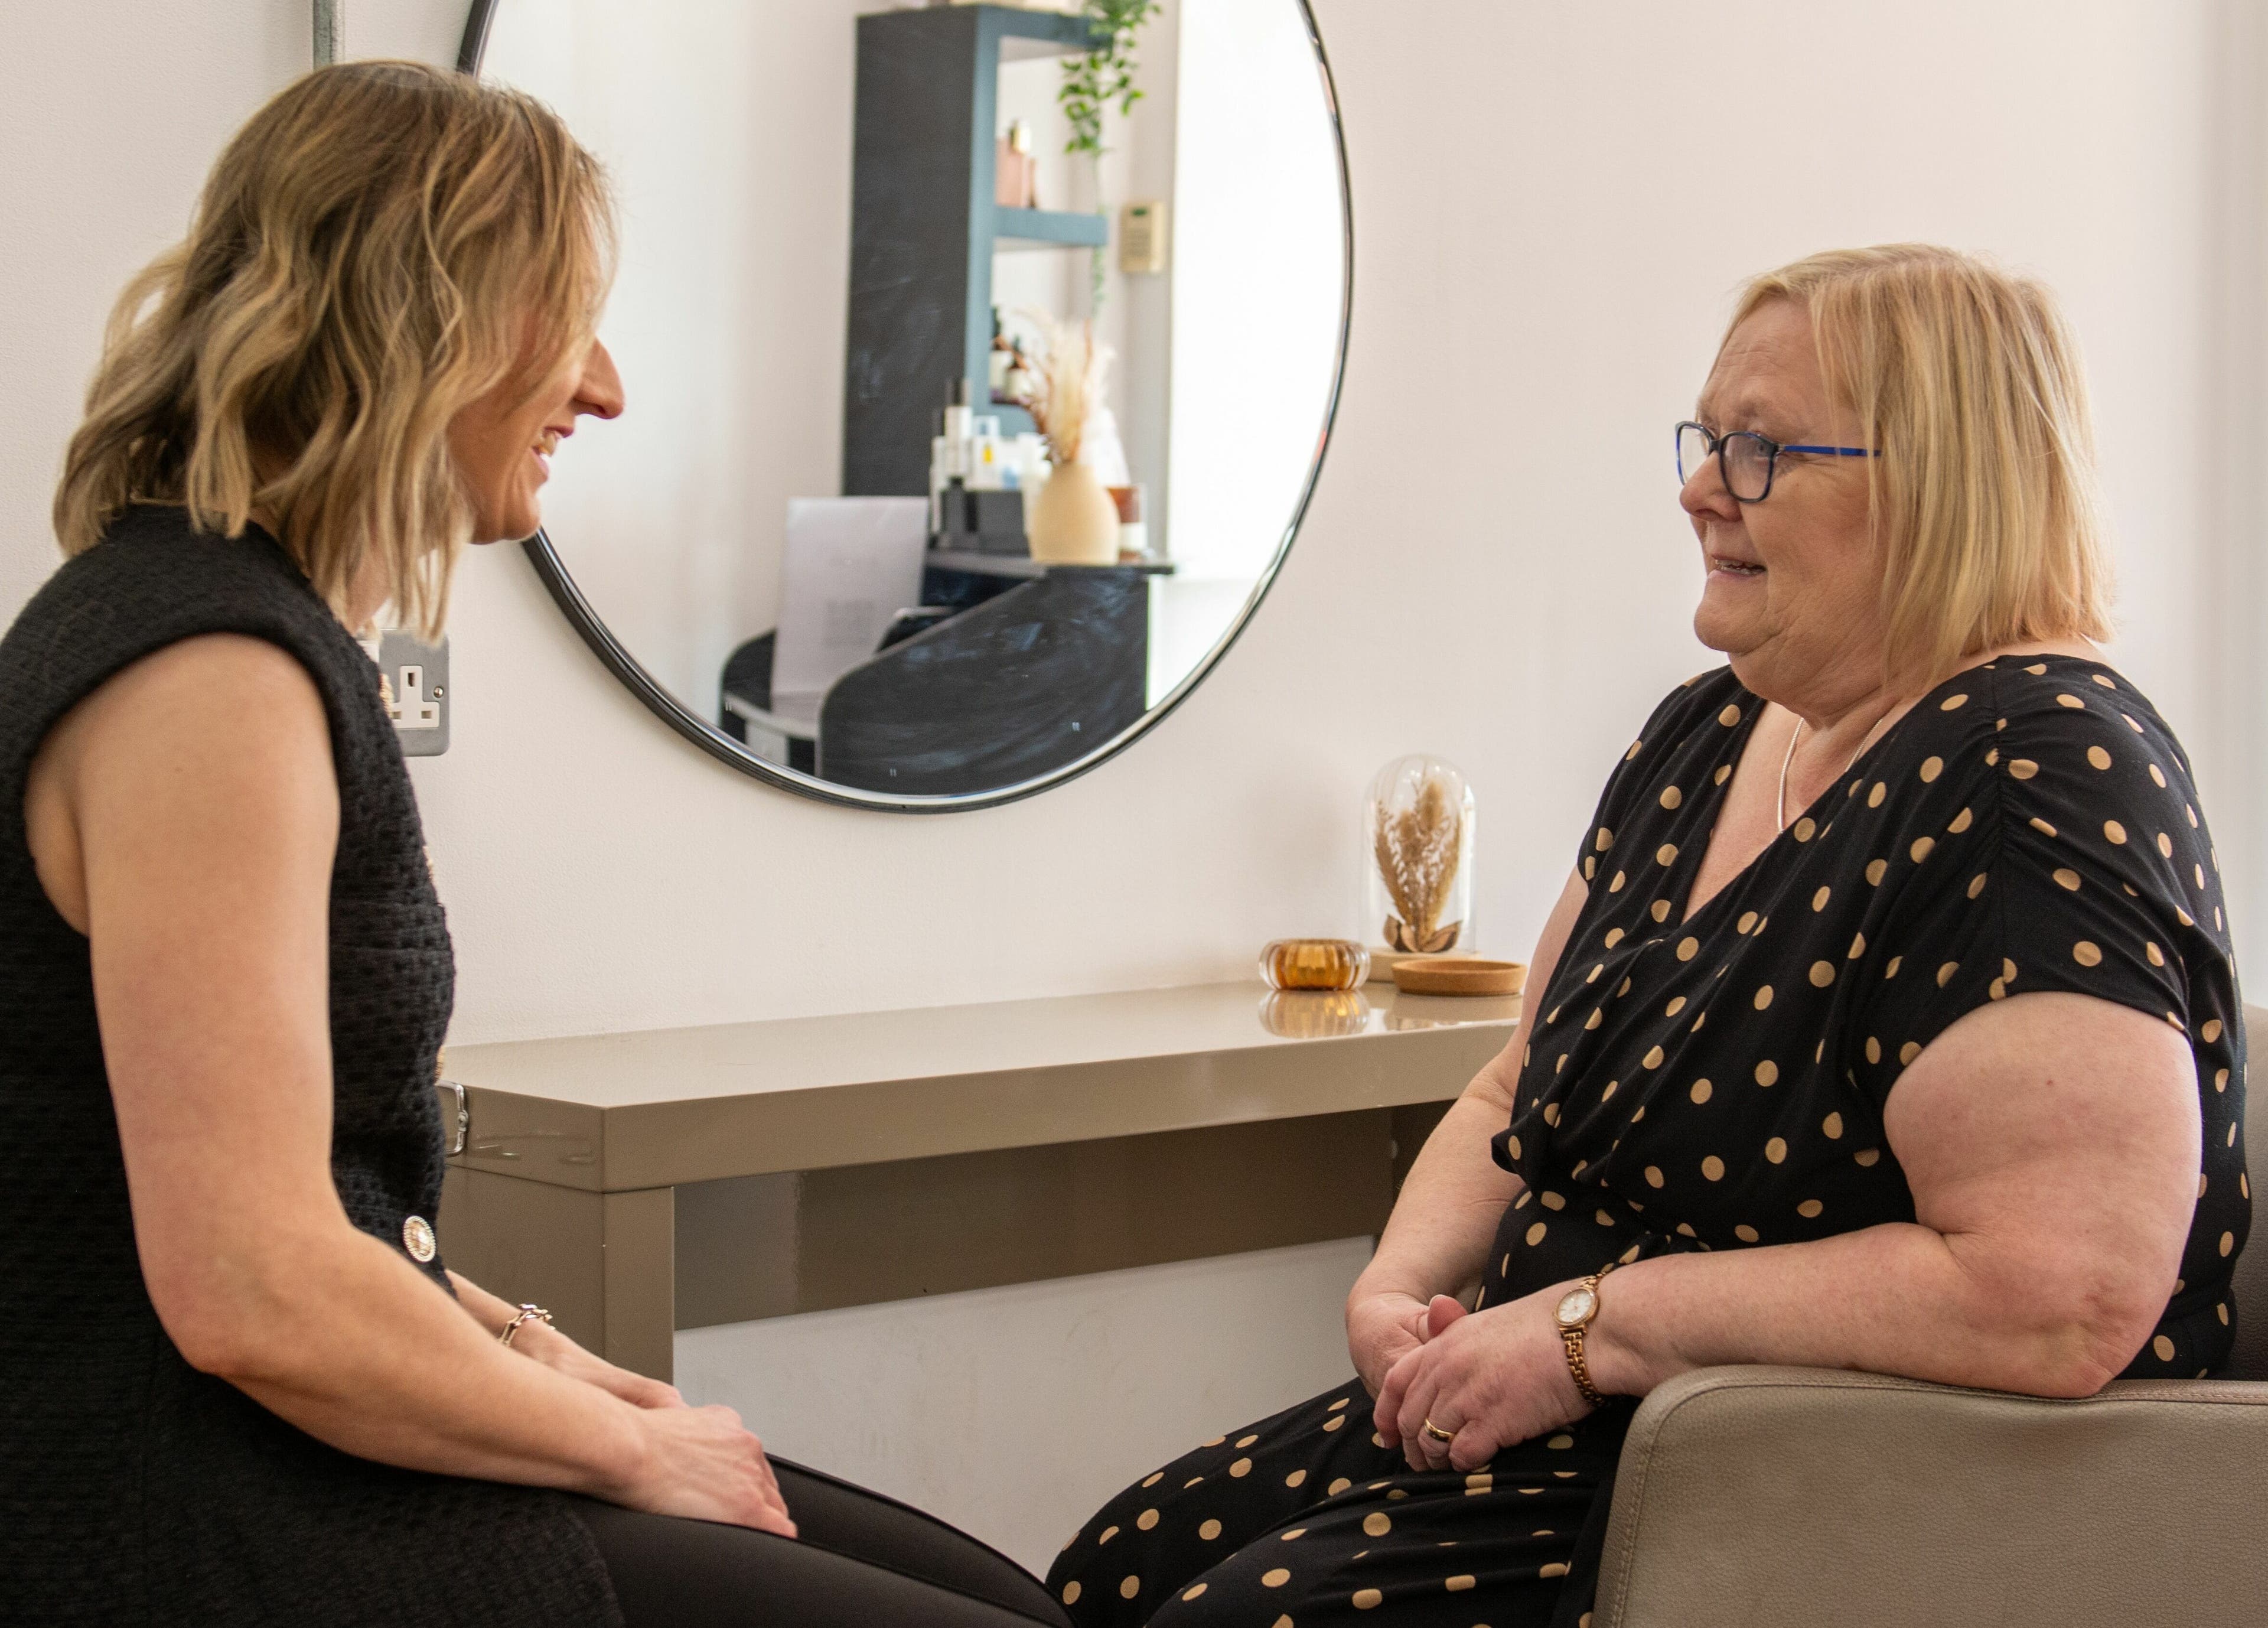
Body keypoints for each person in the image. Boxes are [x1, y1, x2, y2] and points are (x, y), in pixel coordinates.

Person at [0, 61, 1067, 1628]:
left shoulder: (242, 634)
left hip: (277, 1449)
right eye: (566, 322)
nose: (608, 388)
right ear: (418, 322)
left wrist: (553, 1358)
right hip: (183, 1507)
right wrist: (626, 1452)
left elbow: (340, 1218)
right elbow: (251, 1286)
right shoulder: (208, 673)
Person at [1049, 243, 2252, 1627]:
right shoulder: (1713, 730)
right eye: (1707, 439)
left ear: (1938, 484)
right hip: (1569, 1412)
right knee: (1114, 1567)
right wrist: (1398, 1284)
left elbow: (2054, 1298)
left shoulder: (2031, 770)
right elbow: (1518, 1086)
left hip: (1805, 1481)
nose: (1699, 489)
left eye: (1760, 451)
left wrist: (1585, 1331)